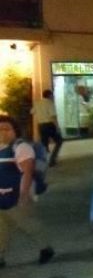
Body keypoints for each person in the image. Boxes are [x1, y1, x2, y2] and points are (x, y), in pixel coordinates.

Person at [0, 115, 54, 269]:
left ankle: (45, 248)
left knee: (28, 224)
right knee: (1, 228)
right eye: (0, 129)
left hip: (16, 195)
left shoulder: (21, 147)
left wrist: (23, 195)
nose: (3, 132)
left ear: (15, 130)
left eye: (7, 129)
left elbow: (27, 172)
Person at [31, 89, 63, 166]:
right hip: (49, 125)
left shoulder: (37, 103)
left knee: (44, 143)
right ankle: (52, 159)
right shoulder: (50, 103)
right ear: (49, 95)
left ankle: (44, 160)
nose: (53, 96)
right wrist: (57, 127)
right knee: (59, 141)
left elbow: (32, 112)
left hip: (41, 125)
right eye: (52, 95)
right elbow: (53, 116)